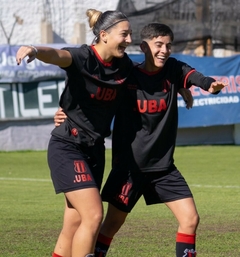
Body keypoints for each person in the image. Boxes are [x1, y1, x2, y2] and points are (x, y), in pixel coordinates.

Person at [53, 23, 227, 256]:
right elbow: (94, 93)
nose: (164, 50)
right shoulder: (126, 76)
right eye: (158, 45)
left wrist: (209, 85)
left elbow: (194, 75)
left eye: (168, 45)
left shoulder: (173, 69)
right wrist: (65, 112)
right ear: (144, 47)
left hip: (163, 168)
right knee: (110, 226)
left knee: (191, 219)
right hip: (129, 168)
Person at [16, 8, 133, 257]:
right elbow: (58, 55)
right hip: (68, 146)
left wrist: (186, 83)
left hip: (95, 149)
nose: (129, 40)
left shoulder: (125, 66)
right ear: (104, 35)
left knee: (73, 224)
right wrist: (35, 50)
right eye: (125, 34)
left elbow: (153, 76)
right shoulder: (83, 57)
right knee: (93, 215)